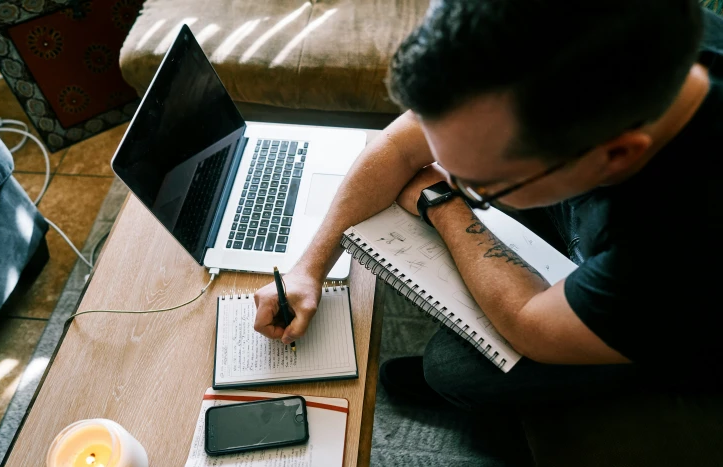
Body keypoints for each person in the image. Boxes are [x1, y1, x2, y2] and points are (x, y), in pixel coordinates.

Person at [253, 0, 723, 410]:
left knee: (452, 370)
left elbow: (530, 323)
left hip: (677, 319)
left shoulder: (674, 248)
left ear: (615, 155)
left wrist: (442, 200)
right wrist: (308, 269)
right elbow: (400, 148)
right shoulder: (588, 42)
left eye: (481, 185)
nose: (442, 172)